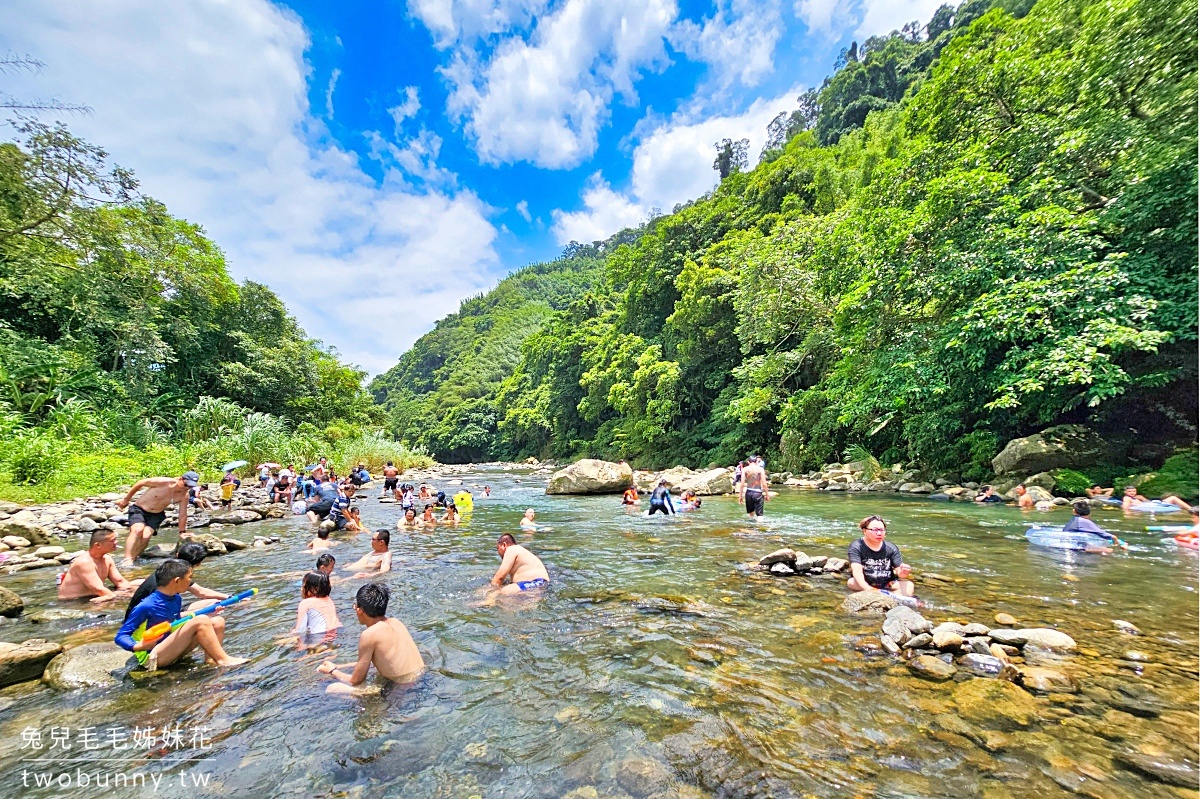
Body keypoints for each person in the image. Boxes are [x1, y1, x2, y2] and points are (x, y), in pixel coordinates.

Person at [115, 559, 248, 670]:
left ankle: (212, 660)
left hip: (168, 648)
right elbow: (121, 636)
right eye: (189, 577)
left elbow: (175, 620)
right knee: (201, 620)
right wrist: (138, 646)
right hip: (151, 657)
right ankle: (223, 660)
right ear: (177, 580)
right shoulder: (147, 605)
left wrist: (209, 612)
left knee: (217, 620)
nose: (191, 582)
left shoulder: (176, 598)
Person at [318, 583, 424, 694]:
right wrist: (340, 666)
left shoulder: (369, 634)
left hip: (403, 689)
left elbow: (356, 680)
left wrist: (332, 671)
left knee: (332, 689)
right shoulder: (396, 622)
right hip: (421, 679)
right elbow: (380, 661)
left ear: (359, 610)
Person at [123, 541, 228, 620]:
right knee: (213, 610)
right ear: (198, 564)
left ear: (177, 555)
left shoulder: (167, 570)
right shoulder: (170, 582)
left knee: (215, 603)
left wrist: (230, 598)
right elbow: (168, 618)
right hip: (148, 621)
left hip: (145, 615)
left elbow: (201, 592)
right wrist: (202, 613)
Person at [116, 471, 198, 567]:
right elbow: (141, 482)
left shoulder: (184, 496)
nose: (186, 488)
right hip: (139, 509)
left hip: (156, 514)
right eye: (185, 485)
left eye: (190, 487)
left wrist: (182, 531)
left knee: (146, 536)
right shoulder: (164, 482)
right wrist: (126, 499)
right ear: (180, 479)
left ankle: (134, 558)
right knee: (138, 529)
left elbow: (182, 514)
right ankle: (127, 558)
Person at [58, 530, 141, 602]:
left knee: (140, 582)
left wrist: (137, 591)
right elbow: (99, 590)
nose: (116, 543)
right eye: (112, 541)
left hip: (94, 596)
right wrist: (131, 596)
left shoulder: (107, 559)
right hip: (74, 602)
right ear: (98, 545)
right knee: (111, 599)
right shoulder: (84, 562)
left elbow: (120, 582)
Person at [846, 515, 915, 597]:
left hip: (887, 584)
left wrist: (904, 571)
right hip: (866, 583)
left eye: (882, 530)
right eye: (874, 530)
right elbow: (857, 571)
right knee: (851, 582)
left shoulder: (891, 548)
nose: (879, 533)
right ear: (864, 531)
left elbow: (900, 574)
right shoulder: (857, 546)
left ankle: (890, 597)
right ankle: (888, 596)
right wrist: (869, 589)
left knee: (909, 585)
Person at [293, 571, 341, 636]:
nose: (301, 588)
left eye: (303, 585)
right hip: (335, 633)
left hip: (318, 636)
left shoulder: (305, 603)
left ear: (315, 589)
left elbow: (300, 630)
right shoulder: (329, 600)